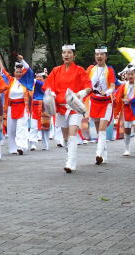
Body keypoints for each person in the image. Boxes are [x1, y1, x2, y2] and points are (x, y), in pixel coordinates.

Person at [42, 44, 91, 173]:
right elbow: (48, 86)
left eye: (69, 52)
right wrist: (50, 93)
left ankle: (70, 162)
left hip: (74, 106)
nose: (66, 55)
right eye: (64, 52)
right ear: (62, 55)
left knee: (72, 133)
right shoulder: (56, 70)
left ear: (74, 55)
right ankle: (71, 156)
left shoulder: (80, 70)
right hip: (61, 108)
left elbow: (88, 86)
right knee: (65, 139)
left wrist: (82, 93)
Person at [86, 47, 116, 165]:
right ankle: (105, 155)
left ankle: (98, 154)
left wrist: (107, 92)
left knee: (102, 129)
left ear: (106, 56)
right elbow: (84, 82)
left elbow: (112, 86)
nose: (99, 56)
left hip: (106, 102)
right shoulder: (90, 69)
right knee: (99, 130)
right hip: (94, 101)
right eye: (97, 54)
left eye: (101, 54)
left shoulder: (109, 70)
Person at [4, 56, 34, 155]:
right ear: (14, 72)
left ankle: (21, 146)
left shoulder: (26, 81)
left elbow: (29, 70)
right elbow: (2, 71)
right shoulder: (10, 80)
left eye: (20, 72)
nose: (19, 74)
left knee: (21, 127)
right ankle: (13, 148)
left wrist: (22, 60)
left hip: (22, 106)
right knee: (11, 129)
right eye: (17, 72)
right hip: (11, 107)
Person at [114, 66, 135, 158]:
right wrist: (121, 99)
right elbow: (117, 96)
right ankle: (127, 149)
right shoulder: (123, 86)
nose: (130, 76)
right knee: (127, 131)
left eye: (132, 74)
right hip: (126, 110)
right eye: (129, 74)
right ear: (126, 75)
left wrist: (130, 100)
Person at [29, 70, 50, 151]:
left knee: (45, 126)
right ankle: (33, 144)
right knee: (33, 125)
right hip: (35, 104)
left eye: (40, 77)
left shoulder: (45, 84)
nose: (38, 78)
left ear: (43, 77)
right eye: (37, 77)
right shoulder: (33, 84)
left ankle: (46, 145)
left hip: (45, 105)